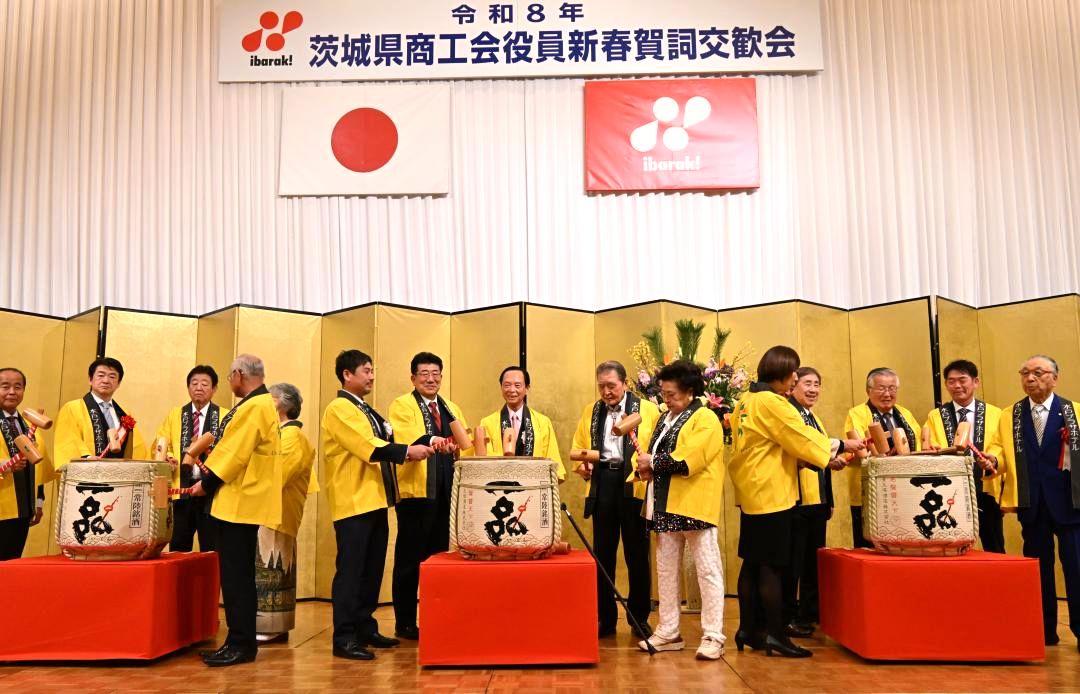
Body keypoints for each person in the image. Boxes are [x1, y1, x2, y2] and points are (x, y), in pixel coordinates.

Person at [730, 346, 863, 658]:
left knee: (753, 563)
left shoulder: (746, 400)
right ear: (784, 373)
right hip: (771, 492)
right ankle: (776, 635)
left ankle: (748, 629)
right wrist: (841, 445)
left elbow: (768, 444)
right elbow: (800, 436)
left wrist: (813, 458)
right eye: (795, 374)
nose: (795, 379)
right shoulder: (773, 403)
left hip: (751, 488)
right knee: (774, 567)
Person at [323, 349, 434, 661]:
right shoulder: (339, 408)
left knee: (371, 570)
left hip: (375, 499)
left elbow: (389, 436)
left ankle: (365, 627)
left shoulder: (364, 409)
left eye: (372, 370)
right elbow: (366, 445)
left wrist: (426, 442)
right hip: (353, 501)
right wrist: (407, 453)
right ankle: (344, 637)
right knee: (351, 571)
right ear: (347, 374)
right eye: (366, 370)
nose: (372, 376)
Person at [188, 354, 282, 667]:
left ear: (239, 374)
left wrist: (206, 483)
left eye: (230, 377)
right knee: (236, 576)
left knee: (237, 577)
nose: (231, 383)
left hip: (240, 502)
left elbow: (234, 453)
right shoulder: (259, 404)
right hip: (240, 500)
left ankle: (241, 644)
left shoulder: (255, 406)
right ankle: (237, 641)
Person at [634, 360, 725, 661]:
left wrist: (653, 463)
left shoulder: (705, 418)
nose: (666, 399)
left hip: (694, 503)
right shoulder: (665, 418)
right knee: (666, 570)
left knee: (707, 569)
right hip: (664, 503)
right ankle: (669, 630)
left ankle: (713, 634)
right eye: (663, 393)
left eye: (671, 394)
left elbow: (691, 458)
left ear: (689, 392)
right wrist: (644, 468)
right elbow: (653, 454)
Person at [571, 360, 659, 638]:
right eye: (601, 387)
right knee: (603, 554)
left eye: (612, 386)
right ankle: (605, 619)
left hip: (633, 482)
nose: (606, 392)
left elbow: (657, 446)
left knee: (637, 554)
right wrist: (583, 466)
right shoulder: (591, 410)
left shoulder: (647, 409)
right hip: (603, 482)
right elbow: (579, 447)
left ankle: (638, 618)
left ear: (625, 383)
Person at [998, 355, 1080, 652]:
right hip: (1031, 502)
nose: (1030, 378)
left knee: (1076, 567)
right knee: (1037, 569)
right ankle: (1044, 631)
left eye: (1038, 372)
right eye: (1025, 373)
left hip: (1070, 504)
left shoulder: (1074, 411)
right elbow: (999, 449)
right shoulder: (1010, 415)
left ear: (1055, 378)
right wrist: (993, 460)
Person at [388, 351, 469, 641]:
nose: (431, 379)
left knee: (438, 559)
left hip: (445, 492)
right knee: (410, 560)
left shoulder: (451, 407)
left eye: (435, 374)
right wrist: (437, 441)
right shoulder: (402, 405)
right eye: (424, 374)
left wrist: (456, 447)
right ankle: (405, 623)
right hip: (417, 494)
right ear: (413, 378)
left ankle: (435, 618)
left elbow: (463, 441)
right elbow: (407, 437)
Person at [256, 383, 318, 641]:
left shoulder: (292, 437)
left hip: (277, 512)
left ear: (280, 405)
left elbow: (277, 476)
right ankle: (267, 624)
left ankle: (271, 626)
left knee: (273, 563)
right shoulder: (280, 434)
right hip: (267, 510)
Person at [923, 359, 1005, 552]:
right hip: (950, 492)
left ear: (975, 382)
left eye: (962, 380)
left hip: (986, 489)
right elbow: (927, 445)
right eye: (951, 381)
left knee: (994, 545)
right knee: (952, 546)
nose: (957, 385)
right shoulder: (936, 416)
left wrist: (993, 459)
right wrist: (933, 449)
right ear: (946, 385)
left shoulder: (995, 413)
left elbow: (1001, 445)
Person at [843, 367, 920, 548]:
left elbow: (917, 445)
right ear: (868, 390)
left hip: (905, 490)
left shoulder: (905, 414)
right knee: (870, 545)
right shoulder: (857, 413)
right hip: (871, 491)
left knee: (903, 541)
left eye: (892, 388)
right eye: (881, 388)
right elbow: (856, 449)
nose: (887, 394)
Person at [783, 367, 834, 633]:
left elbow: (823, 458)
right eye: (807, 383)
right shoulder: (790, 414)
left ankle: (809, 612)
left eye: (817, 384)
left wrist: (829, 500)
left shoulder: (813, 417)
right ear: (792, 386)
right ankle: (789, 616)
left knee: (813, 562)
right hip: (798, 502)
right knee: (794, 563)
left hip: (817, 502)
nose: (813, 389)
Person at [156, 365, 221, 552]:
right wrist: (168, 457)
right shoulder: (175, 415)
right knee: (178, 544)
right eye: (194, 383)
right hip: (182, 488)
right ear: (188, 387)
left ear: (214, 389)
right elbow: (161, 442)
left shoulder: (224, 416)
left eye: (205, 384)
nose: (199, 387)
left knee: (212, 547)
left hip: (211, 490)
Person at [0, 367, 53, 560]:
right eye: (5, 386)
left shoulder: (29, 424)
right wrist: (4, 465)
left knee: (11, 562)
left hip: (23, 508)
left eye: (18, 387)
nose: (12, 392)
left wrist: (38, 502)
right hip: (2, 504)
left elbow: (39, 466)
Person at [54, 357, 148, 466]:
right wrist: (86, 457)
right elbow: (68, 440)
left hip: (119, 472)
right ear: (90, 379)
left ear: (118, 383)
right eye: (101, 375)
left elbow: (136, 446)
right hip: (88, 470)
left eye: (112, 376)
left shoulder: (124, 413)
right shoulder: (72, 408)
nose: (106, 381)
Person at [477, 366, 565, 480]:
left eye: (517, 385)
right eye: (507, 385)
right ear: (501, 388)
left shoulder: (543, 422)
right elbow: (484, 463)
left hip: (533, 485)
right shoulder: (487, 423)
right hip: (500, 485)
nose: (512, 390)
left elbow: (552, 461)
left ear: (527, 388)